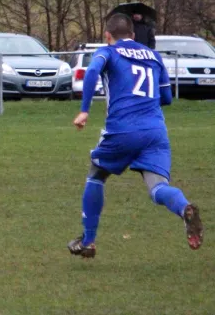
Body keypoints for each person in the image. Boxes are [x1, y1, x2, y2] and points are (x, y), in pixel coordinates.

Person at [68, 13, 203, 259]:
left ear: (108, 36)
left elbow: (91, 72)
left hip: (122, 129)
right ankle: (184, 208)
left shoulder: (108, 52)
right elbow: (167, 99)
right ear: (133, 35)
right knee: (158, 188)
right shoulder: (154, 56)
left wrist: (84, 110)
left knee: (96, 174)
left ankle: (88, 241)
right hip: (155, 132)